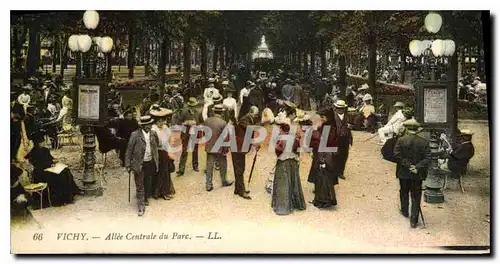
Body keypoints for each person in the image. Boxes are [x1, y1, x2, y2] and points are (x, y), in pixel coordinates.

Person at [25, 134, 81, 208]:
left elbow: (51, 158)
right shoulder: (33, 152)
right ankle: (60, 200)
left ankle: (71, 194)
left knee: (65, 171)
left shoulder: (45, 149)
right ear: (37, 143)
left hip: (50, 169)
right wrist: (50, 164)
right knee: (58, 177)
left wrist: (55, 161)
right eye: (41, 142)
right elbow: (37, 165)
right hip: (41, 173)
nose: (43, 143)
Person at [393, 119, 430, 228]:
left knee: (404, 191)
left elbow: (396, 154)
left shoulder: (401, 140)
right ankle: (414, 220)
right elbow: (428, 158)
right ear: (417, 130)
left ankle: (405, 211)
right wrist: (416, 167)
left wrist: (408, 165)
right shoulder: (424, 142)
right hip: (417, 174)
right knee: (416, 195)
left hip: (404, 172)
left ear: (407, 129)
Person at [271, 111, 306, 215]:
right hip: (293, 162)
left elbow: (278, 151)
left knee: (283, 184)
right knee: (294, 182)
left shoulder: (281, 139)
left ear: (281, 129)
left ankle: (283, 206)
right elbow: (297, 149)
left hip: (283, 163)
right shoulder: (294, 138)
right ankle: (296, 203)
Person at [125, 115, 160, 216]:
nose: (149, 126)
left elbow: (156, 145)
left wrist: (155, 157)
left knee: (147, 181)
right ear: (142, 126)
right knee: (139, 184)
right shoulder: (135, 135)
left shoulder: (153, 133)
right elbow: (129, 150)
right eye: (147, 125)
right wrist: (128, 164)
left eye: (150, 124)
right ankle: (140, 206)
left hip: (150, 162)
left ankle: (144, 198)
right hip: (139, 163)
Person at [231, 106, 259, 200]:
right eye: (255, 114)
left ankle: (237, 189)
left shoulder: (249, 119)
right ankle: (241, 191)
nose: (256, 116)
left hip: (239, 147)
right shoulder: (245, 120)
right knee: (239, 169)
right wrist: (254, 143)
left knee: (239, 168)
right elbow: (248, 130)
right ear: (250, 113)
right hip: (237, 148)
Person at [203, 104, 233, 192]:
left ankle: (208, 185)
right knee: (223, 164)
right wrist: (226, 148)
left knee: (209, 166)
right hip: (220, 147)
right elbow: (226, 137)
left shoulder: (207, 121)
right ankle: (224, 181)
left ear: (214, 111)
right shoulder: (223, 123)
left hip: (210, 146)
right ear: (222, 113)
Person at [150, 105, 176, 200]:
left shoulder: (165, 127)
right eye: (159, 121)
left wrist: (170, 151)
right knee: (159, 172)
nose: (161, 123)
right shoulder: (153, 129)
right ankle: (158, 192)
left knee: (165, 172)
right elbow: (156, 143)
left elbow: (170, 140)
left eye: (162, 120)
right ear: (155, 121)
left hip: (165, 152)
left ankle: (163, 191)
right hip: (157, 153)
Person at [176, 97, 203, 176]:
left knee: (195, 150)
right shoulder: (184, 112)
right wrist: (186, 122)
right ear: (189, 106)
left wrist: (197, 125)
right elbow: (178, 122)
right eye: (191, 106)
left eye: (194, 106)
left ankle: (195, 166)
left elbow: (202, 122)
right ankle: (181, 169)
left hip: (195, 134)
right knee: (184, 151)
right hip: (186, 134)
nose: (193, 108)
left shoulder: (198, 112)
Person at [331, 100, 352, 180]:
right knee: (335, 155)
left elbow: (351, 125)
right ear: (336, 108)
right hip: (336, 138)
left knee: (344, 155)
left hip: (345, 138)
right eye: (338, 108)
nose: (340, 110)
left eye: (341, 108)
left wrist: (350, 127)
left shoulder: (347, 116)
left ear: (344, 108)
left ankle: (340, 172)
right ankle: (334, 171)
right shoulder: (333, 116)